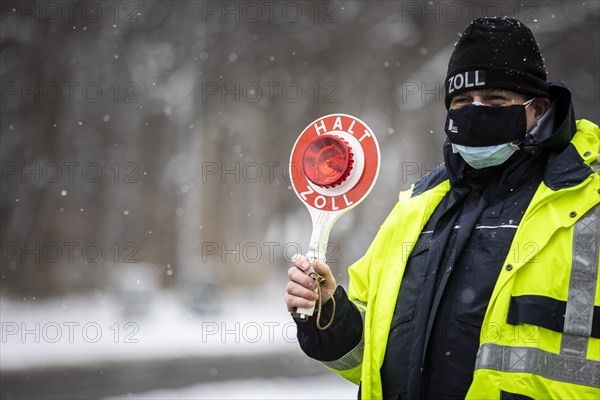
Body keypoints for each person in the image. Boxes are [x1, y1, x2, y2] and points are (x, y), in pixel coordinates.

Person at [284, 16, 600, 399]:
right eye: (462, 101)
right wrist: (329, 315)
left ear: (539, 108)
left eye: (496, 100)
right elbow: (370, 353)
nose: (475, 111)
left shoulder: (588, 200)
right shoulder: (418, 207)